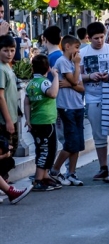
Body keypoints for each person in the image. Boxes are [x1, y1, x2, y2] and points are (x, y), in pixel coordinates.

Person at [81, 22, 109, 181]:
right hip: (93, 98)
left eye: (102, 37)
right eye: (95, 38)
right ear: (88, 38)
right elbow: (77, 76)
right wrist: (89, 76)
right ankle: (103, 167)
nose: (99, 41)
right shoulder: (83, 52)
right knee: (98, 134)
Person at [48, 36, 85, 186]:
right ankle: (55, 171)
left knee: (78, 142)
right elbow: (76, 80)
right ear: (67, 46)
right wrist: (77, 66)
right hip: (66, 106)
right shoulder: (63, 62)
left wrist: (70, 85)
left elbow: (81, 87)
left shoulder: (72, 62)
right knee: (71, 141)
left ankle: (72, 172)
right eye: (76, 47)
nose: (78, 51)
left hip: (77, 105)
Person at [24, 55, 61, 192]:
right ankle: (38, 179)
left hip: (36, 121)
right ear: (48, 68)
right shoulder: (44, 82)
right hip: (46, 121)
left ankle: (44, 175)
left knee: (43, 148)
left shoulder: (31, 84)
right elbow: (53, 93)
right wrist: (55, 76)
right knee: (46, 150)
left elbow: (26, 102)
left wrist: (27, 119)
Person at [0, 35, 19, 182]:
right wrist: (8, 120)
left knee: (11, 150)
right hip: (5, 120)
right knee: (6, 151)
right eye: (5, 50)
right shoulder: (1, 69)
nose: (9, 54)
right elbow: (0, 96)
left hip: (12, 116)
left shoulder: (7, 67)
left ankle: (4, 181)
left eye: (12, 50)